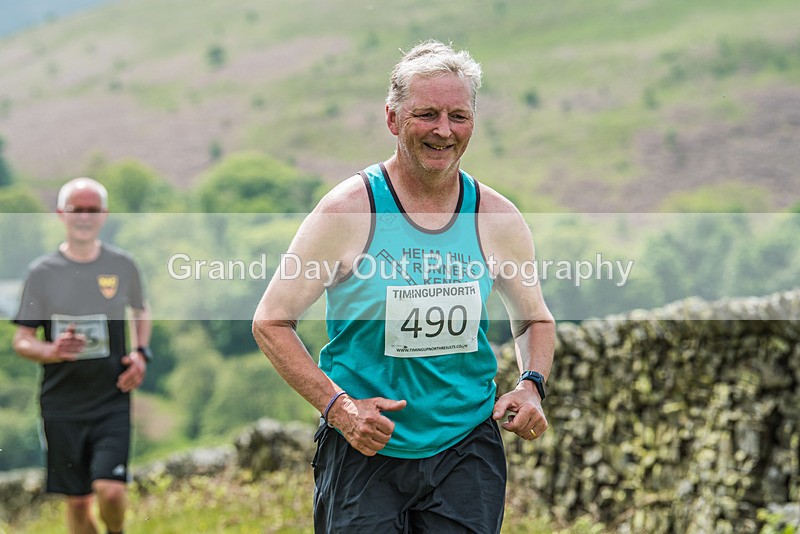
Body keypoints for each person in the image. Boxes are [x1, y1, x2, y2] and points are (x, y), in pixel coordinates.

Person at [252, 40, 555, 533]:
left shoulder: (497, 217)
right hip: (365, 445)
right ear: (392, 119)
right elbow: (270, 321)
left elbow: (534, 318)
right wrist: (338, 407)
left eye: (458, 115)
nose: (443, 129)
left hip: (466, 447)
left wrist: (531, 384)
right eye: (427, 114)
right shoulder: (348, 211)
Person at [12, 177, 152, 534]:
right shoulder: (41, 273)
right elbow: (22, 340)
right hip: (61, 402)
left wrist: (140, 353)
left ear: (104, 215)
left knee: (111, 492)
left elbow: (141, 309)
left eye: (93, 210)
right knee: (77, 500)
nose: (85, 217)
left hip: (112, 397)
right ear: (61, 214)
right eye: (77, 209)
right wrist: (52, 351)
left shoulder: (123, 264)